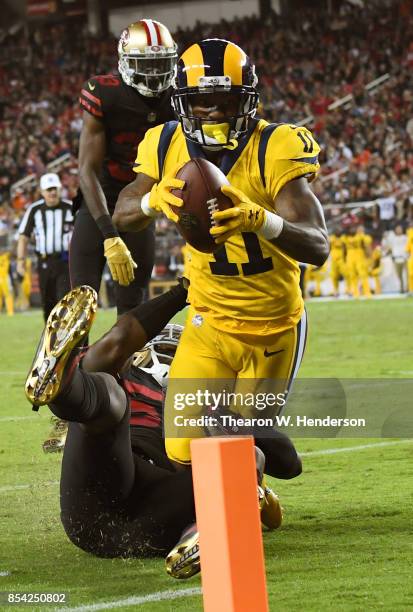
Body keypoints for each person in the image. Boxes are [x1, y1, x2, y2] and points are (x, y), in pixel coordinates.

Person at [113, 37, 329, 461]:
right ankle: (251, 487)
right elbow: (122, 212)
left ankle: (254, 479)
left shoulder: (276, 146)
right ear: (182, 103)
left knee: (239, 441)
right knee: (180, 449)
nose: (212, 111)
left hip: (273, 327)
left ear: (246, 100)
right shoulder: (164, 143)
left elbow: (318, 246)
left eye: (224, 100)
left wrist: (260, 219)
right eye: (201, 101)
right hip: (208, 322)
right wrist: (151, 201)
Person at [24, 284, 301, 578]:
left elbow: (289, 463)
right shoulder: (123, 373)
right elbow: (119, 340)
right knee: (108, 392)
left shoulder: (209, 400)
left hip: (141, 517)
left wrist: (230, 416)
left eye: (174, 353)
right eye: (165, 350)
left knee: (245, 455)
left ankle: (201, 535)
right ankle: (60, 384)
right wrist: (186, 290)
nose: (169, 360)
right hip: (106, 491)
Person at [70, 19, 178, 315]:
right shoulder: (104, 93)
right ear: (126, 61)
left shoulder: (178, 100)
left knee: (133, 307)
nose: (155, 74)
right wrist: (108, 233)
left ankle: (127, 363)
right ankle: (72, 363)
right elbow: (87, 170)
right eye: (146, 64)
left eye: (161, 64)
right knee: (78, 304)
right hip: (99, 200)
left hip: (141, 202)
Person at [16, 173, 73, 321]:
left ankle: (68, 341)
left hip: (66, 262)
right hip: (44, 263)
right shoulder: (34, 210)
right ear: (42, 192)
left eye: (55, 188)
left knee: (65, 302)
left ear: (60, 189)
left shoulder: (71, 208)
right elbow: (23, 237)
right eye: (49, 189)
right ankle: (51, 342)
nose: (52, 192)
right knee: (48, 305)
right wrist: (20, 261)